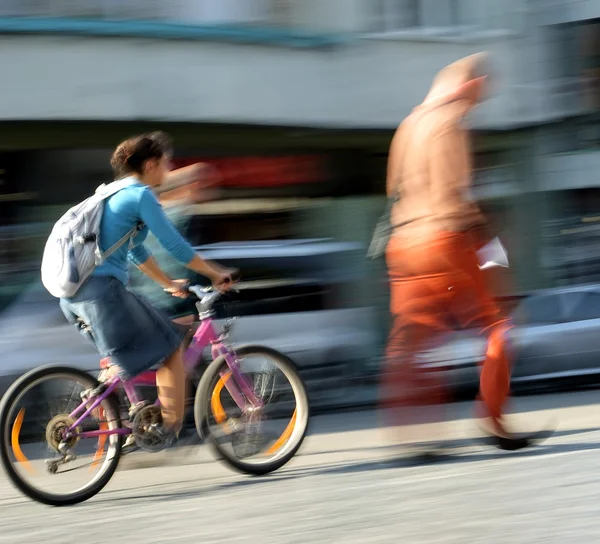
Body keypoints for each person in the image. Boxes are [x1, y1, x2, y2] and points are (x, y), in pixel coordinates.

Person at [383, 53, 535, 451]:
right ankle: (494, 419)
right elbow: (459, 198)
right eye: (481, 92)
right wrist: (496, 256)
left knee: (414, 339)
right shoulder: (451, 123)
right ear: (469, 85)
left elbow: (392, 191)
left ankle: (415, 436)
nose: (479, 101)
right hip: (445, 241)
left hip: (403, 244)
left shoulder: (407, 125)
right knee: (499, 326)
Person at [60, 132, 236, 445]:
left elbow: (135, 252)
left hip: (72, 297)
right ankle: (165, 432)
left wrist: (168, 284)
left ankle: (117, 414)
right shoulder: (140, 196)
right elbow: (175, 246)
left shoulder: (112, 194)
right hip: (101, 292)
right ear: (152, 164)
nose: (168, 170)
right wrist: (215, 273)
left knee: (126, 359)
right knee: (170, 348)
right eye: (166, 163)